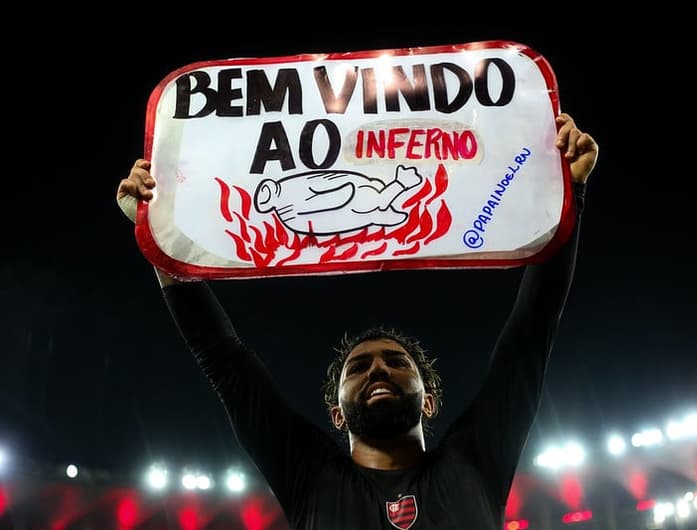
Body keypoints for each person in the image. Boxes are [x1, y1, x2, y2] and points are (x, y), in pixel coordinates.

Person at [117, 112, 598, 529]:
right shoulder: (307, 471)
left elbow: (531, 332)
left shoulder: (475, 460)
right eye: (360, 367)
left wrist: (568, 190)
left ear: (429, 402)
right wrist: (162, 238)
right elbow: (223, 358)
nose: (378, 370)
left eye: (395, 362)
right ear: (336, 413)